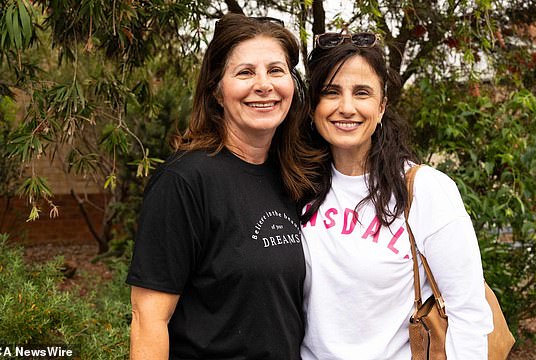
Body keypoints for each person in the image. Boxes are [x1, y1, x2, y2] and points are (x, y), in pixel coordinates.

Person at [127, 13, 319, 360]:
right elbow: (148, 318)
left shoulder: (294, 176)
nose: (264, 85)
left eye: (276, 70)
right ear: (217, 90)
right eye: (245, 72)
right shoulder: (184, 182)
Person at [299, 30, 494, 359]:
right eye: (331, 92)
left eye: (362, 93)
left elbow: (469, 313)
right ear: (313, 105)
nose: (346, 107)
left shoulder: (425, 190)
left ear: (381, 105)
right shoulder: (298, 184)